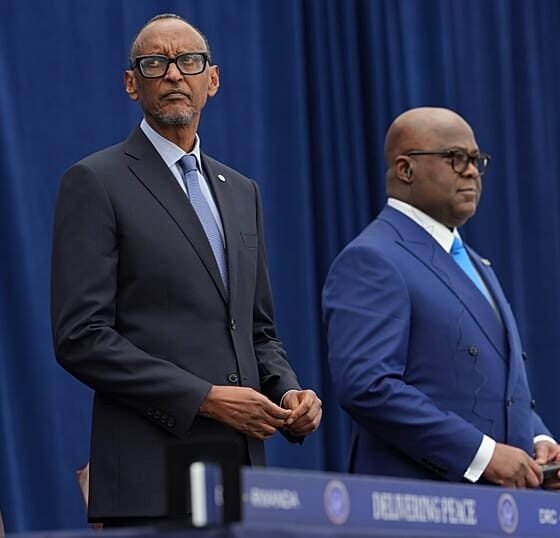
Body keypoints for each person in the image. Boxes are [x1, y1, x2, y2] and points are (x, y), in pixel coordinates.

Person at [51, 13, 322, 526]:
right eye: (155, 63)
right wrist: (205, 399)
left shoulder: (242, 192)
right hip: (151, 477)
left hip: (241, 477)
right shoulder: (95, 181)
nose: (174, 73)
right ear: (132, 84)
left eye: (189, 61)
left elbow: (257, 331)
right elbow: (81, 338)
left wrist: (288, 391)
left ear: (212, 80)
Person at [322, 107, 560, 489]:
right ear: (405, 169)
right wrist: (481, 454)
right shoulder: (373, 259)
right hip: (419, 500)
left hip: (498, 505)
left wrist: (536, 439)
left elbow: (491, 382)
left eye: (476, 160)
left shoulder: (474, 262)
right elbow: (368, 386)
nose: (471, 172)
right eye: (456, 158)